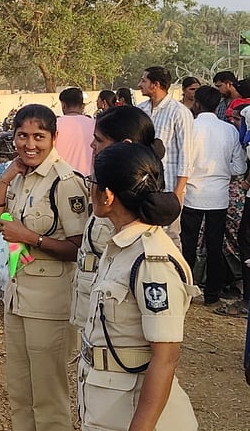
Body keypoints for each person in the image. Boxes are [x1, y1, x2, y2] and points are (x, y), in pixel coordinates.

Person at [79, 143, 199, 430]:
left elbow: (166, 358)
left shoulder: (151, 260)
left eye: (92, 182)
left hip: (133, 413)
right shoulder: (121, 245)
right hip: (108, 404)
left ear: (108, 195)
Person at [0, 104, 89, 431]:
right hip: (17, 296)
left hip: (50, 304)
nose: (30, 144)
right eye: (23, 136)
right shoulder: (18, 177)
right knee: (20, 389)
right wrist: (3, 183)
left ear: (54, 137)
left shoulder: (66, 182)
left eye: (39, 136)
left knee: (48, 394)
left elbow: (78, 249)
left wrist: (32, 238)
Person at [73, 106, 158, 330]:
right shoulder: (106, 192)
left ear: (125, 145)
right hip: (91, 314)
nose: (92, 146)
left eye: (99, 140)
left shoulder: (128, 204)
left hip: (112, 325)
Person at [181, 85, 245, 306]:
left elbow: (182, 163)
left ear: (196, 103)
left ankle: (185, 290)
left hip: (191, 194)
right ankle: (212, 293)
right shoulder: (229, 130)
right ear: (218, 104)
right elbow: (238, 167)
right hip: (218, 196)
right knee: (215, 245)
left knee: (187, 244)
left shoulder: (189, 127)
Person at [137, 66, 194, 248]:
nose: (140, 85)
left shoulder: (179, 112)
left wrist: (177, 194)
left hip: (168, 188)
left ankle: (176, 276)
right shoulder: (141, 110)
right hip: (142, 187)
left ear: (155, 85)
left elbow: (186, 154)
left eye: (144, 81)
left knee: (170, 238)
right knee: (143, 236)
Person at [56, 87, 96, 176]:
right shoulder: (95, 124)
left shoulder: (54, 125)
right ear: (82, 106)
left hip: (61, 179)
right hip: (88, 180)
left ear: (63, 105)